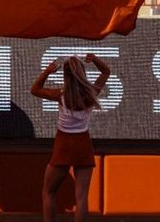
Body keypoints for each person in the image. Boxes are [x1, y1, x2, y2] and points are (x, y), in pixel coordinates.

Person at [30, 54, 111, 222]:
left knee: (48, 191)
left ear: (65, 76)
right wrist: (95, 59)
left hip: (63, 145)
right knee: (81, 198)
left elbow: (35, 90)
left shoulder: (61, 95)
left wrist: (46, 72)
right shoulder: (91, 93)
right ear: (82, 74)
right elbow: (106, 72)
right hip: (83, 144)